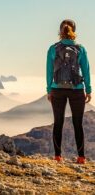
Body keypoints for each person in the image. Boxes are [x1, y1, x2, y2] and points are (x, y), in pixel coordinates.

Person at [46, 19, 92, 164]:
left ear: (60, 32)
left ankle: (58, 156)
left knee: (58, 122)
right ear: (74, 31)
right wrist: (88, 90)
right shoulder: (81, 49)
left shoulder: (53, 49)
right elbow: (86, 70)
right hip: (77, 90)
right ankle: (81, 157)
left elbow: (48, 71)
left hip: (57, 89)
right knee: (77, 123)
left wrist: (49, 89)